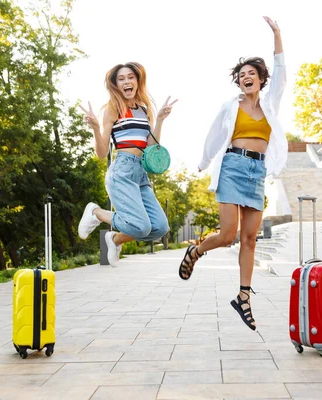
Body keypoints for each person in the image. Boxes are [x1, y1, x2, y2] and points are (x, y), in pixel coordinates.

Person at [178, 16, 287, 331]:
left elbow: (282, 73)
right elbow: (214, 136)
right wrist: (202, 162)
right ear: (238, 82)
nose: (246, 77)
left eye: (252, 73)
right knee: (228, 235)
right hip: (233, 166)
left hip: (257, 171)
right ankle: (196, 251)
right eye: (242, 75)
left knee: (250, 238)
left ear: (261, 79)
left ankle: (243, 297)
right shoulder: (230, 107)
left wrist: (277, 34)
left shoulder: (270, 105)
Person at [78, 62, 175, 267]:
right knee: (140, 226)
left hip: (141, 172)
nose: (126, 82)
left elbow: (151, 147)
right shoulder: (112, 110)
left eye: (130, 77)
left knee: (159, 227)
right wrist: (95, 128)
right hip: (122, 170)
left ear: (137, 81)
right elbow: (102, 152)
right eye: (121, 79)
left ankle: (114, 239)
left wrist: (159, 121)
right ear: (115, 85)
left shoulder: (144, 110)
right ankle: (96, 212)